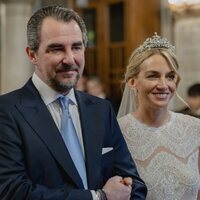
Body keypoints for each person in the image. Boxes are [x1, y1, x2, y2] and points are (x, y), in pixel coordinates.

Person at [0, 5, 147, 200]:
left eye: (77, 47)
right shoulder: (7, 111)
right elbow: (12, 191)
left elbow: (133, 184)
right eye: (56, 48)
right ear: (32, 54)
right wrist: (98, 197)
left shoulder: (101, 109)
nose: (69, 59)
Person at [117, 33, 200, 200]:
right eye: (153, 76)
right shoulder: (117, 132)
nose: (163, 85)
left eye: (170, 76)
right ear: (132, 82)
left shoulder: (194, 128)